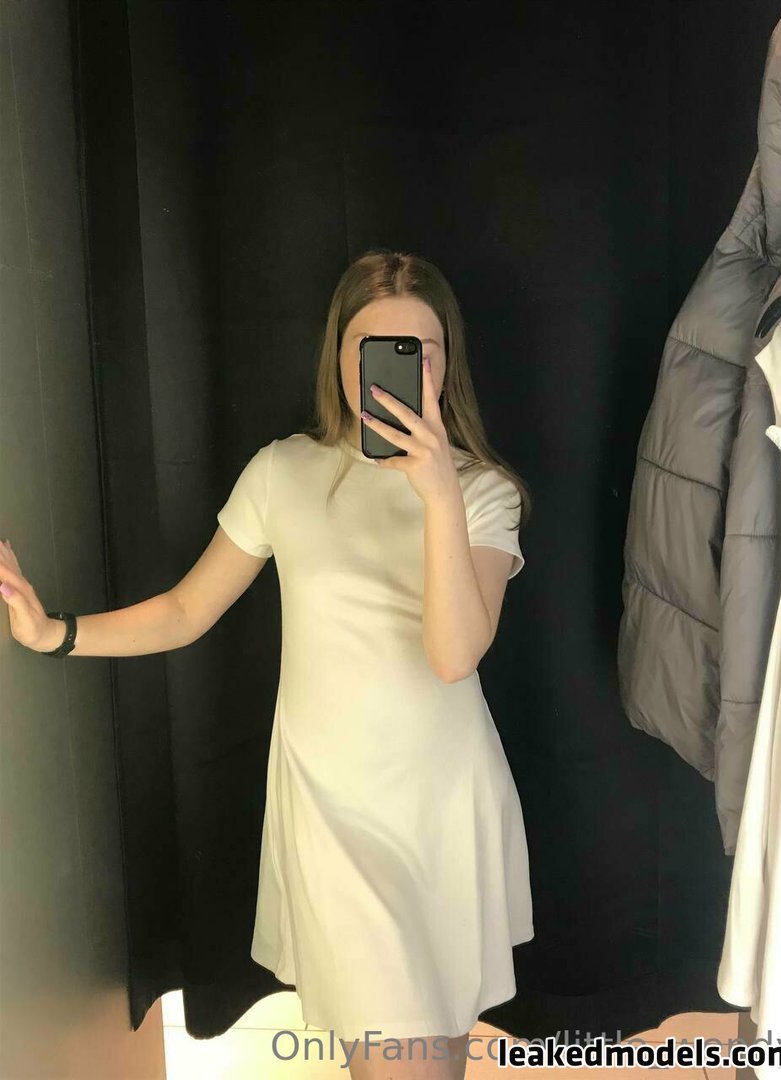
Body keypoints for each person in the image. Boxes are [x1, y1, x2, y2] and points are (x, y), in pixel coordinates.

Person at [0, 249, 534, 1080]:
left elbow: (453, 653)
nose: (400, 370)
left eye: (420, 350)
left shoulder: (483, 491)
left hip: (443, 808)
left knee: (434, 1044)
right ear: (340, 357)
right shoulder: (284, 471)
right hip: (332, 814)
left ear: (446, 361)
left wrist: (438, 493)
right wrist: (53, 635)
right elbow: (185, 611)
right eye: (373, 349)